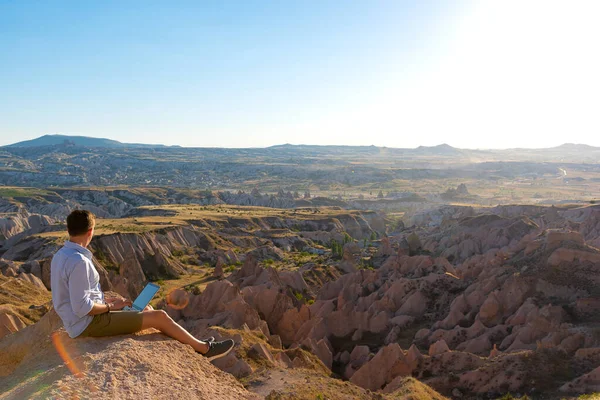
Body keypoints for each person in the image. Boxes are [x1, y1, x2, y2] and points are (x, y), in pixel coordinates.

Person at [50, 209, 234, 361]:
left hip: (79, 322)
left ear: (69, 230)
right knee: (159, 316)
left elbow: (75, 294)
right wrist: (110, 307)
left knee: (146, 308)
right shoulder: (79, 261)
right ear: (91, 231)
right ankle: (204, 349)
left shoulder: (61, 255)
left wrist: (106, 301)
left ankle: (195, 343)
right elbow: (82, 307)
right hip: (88, 324)